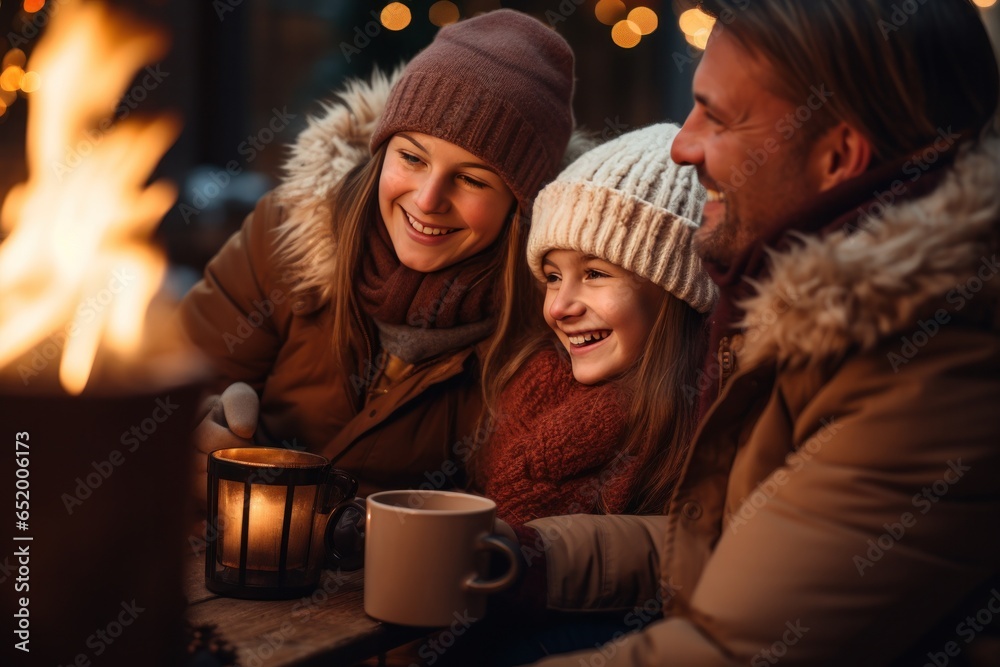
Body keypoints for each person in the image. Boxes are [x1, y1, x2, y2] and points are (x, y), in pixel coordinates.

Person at [499, 1, 1000, 665]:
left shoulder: (932, 360)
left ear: (839, 156)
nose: (682, 145)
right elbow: (731, 545)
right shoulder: (805, 310)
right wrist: (524, 557)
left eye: (719, 117)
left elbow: (730, 648)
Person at [179, 9, 579, 497]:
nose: (428, 199)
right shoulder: (285, 233)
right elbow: (171, 389)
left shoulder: (550, 321)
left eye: (472, 179)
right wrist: (198, 443)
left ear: (520, 207)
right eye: (412, 157)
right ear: (382, 151)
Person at [468, 123, 715, 526]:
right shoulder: (526, 391)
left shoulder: (709, 433)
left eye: (596, 274)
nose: (559, 308)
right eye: (552, 277)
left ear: (676, 291)